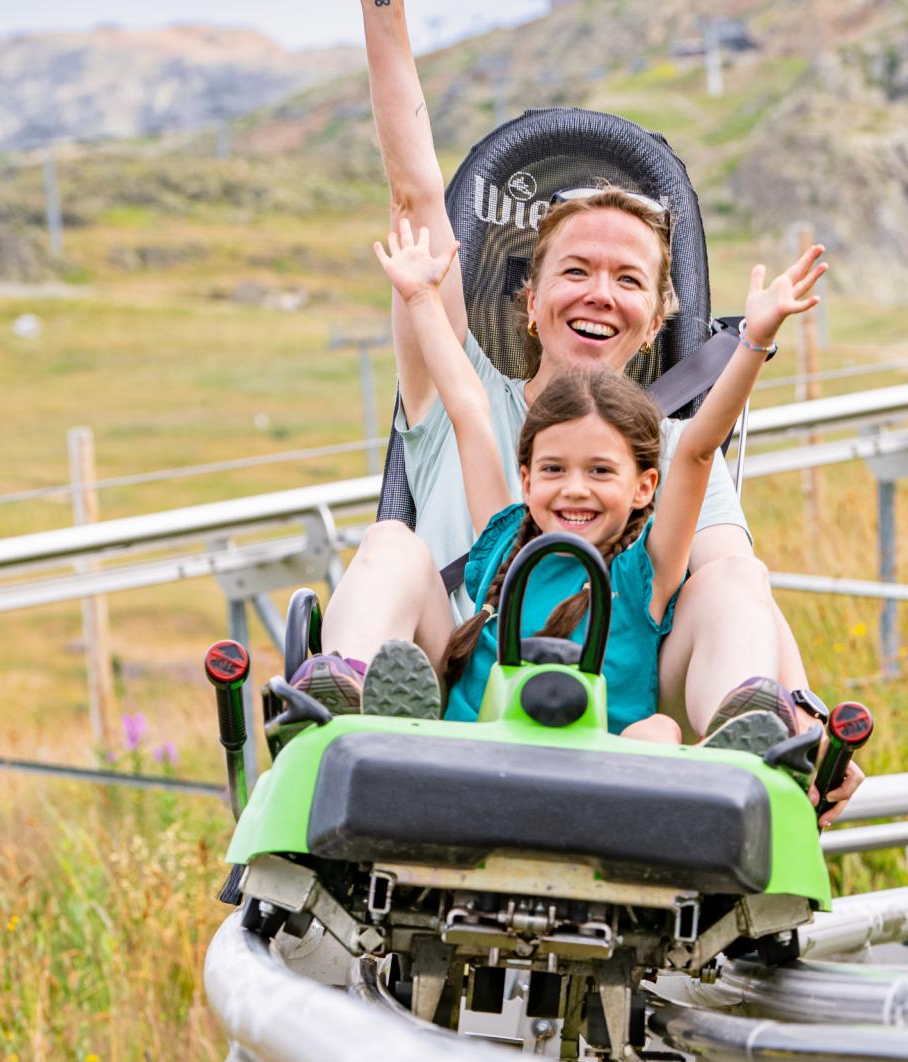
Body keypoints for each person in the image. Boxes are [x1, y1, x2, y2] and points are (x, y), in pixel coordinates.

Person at [319, 0, 865, 811]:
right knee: (391, 541)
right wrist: (384, 2)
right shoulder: (470, 409)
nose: (599, 294)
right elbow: (419, 199)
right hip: (456, 685)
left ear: (656, 320)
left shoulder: (659, 456)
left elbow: (736, 568)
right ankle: (340, 705)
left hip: (624, 717)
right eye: (576, 271)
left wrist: (804, 708)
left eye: (627, 280)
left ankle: (763, 733)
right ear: (528, 297)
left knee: (732, 570)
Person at [315, 216, 824, 751]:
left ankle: (742, 734)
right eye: (555, 470)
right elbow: (468, 408)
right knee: (389, 540)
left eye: (600, 471)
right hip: (474, 748)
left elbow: (697, 450)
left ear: (644, 488)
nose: (575, 488)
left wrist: (753, 341)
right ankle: (345, 689)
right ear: (527, 479)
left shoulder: (647, 569)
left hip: (611, 759)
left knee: (661, 727)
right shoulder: (503, 535)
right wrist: (420, 297)